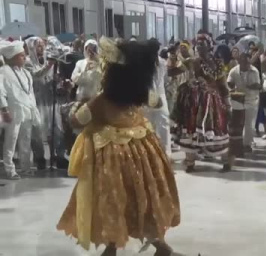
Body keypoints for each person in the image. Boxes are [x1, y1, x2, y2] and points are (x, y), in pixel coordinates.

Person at [56, 37, 180, 256]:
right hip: (144, 153)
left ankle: (112, 248)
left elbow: (76, 121)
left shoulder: (102, 100)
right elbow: (157, 102)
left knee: (114, 200)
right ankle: (161, 247)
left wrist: (79, 105)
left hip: (113, 159)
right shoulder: (140, 94)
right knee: (144, 199)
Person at [171, 32, 232, 172]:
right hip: (195, 102)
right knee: (191, 131)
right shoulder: (192, 62)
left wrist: (228, 105)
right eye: (197, 44)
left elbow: (223, 86)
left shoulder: (218, 63)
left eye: (202, 44)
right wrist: (173, 58)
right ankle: (190, 163)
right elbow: (172, 72)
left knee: (217, 130)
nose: (198, 47)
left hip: (213, 102)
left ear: (209, 46)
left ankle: (225, 161)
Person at [0, 41, 41, 179]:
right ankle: (10, 169)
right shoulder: (4, 71)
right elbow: (0, 92)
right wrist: (4, 109)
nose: (25, 58)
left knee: (25, 139)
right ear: (12, 57)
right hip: (13, 110)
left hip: (27, 110)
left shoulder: (25, 73)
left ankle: (25, 166)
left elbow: (29, 93)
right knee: (11, 140)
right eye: (21, 56)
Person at [227, 51, 262, 152]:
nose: (246, 64)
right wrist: (231, 86)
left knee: (249, 123)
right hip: (237, 99)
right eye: (244, 62)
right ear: (240, 61)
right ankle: (236, 143)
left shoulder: (254, 71)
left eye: (248, 62)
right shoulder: (234, 71)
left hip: (251, 99)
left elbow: (259, 85)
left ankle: (246, 144)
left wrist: (252, 86)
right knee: (237, 123)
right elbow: (229, 82)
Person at [23, 37, 48, 170]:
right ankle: (39, 157)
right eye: (38, 46)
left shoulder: (45, 59)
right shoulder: (27, 62)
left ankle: (58, 156)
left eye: (42, 45)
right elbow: (35, 75)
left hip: (48, 98)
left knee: (54, 128)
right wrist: (48, 67)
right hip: (35, 100)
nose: (41, 48)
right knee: (37, 130)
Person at [145, 48, 172, 156]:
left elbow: (167, 79)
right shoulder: (143, 63)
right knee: (148, 126)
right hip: (146, 99)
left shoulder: (163, 63)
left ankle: (166, 155)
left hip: (161, 97)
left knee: (164, 125)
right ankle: (150, 155)